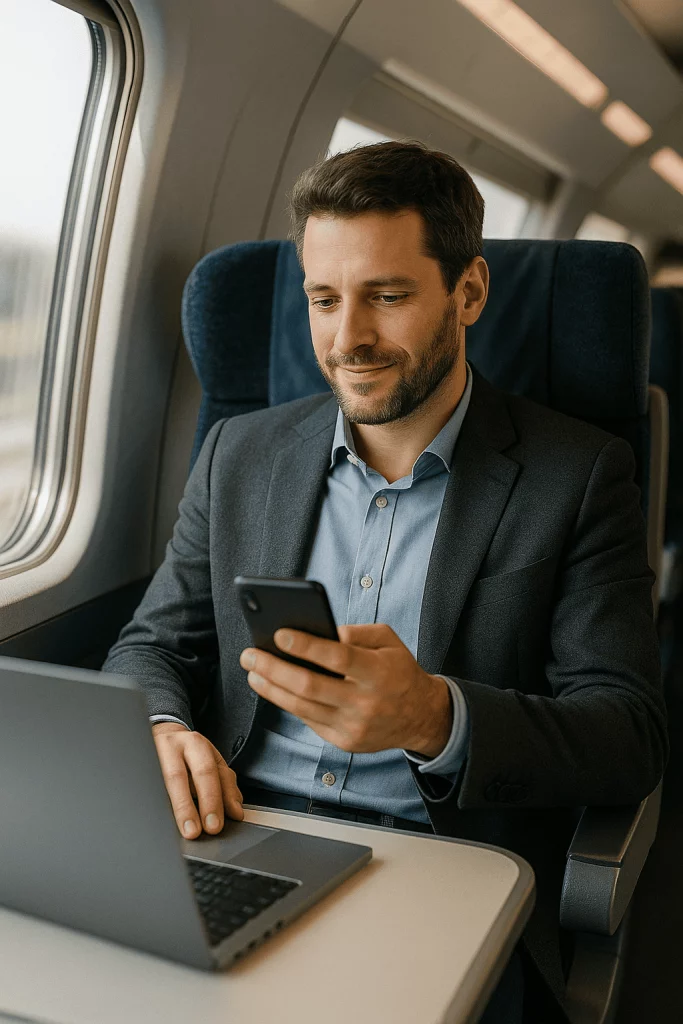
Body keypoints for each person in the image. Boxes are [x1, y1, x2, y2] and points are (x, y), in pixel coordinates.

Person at [103, 141, 667, 1022]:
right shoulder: (237, 455)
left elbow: (628, 731)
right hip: (234, 838)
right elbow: (152, 643)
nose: (347, 339)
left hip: (442, 864)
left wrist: (433, 719)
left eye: (388, 296)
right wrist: (162, 726)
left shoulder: (578, 474)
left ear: (469, 292)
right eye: (324, 300)